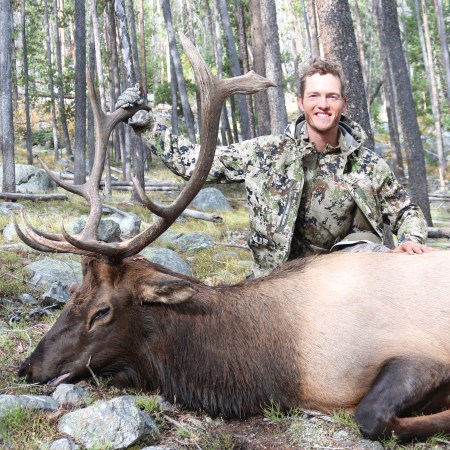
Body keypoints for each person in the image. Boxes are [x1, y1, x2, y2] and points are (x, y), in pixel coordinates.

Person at [117, 58, 432, 278]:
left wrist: (411, 238)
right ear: (301, 102)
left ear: (343, 103)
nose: (323, 104)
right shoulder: (265, 152)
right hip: (272, 287)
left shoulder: (368, 165)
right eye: (314, 95)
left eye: (332, 96)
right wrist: (147, 124)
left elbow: (406, 211)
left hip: (340, 290)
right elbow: (192, 162)